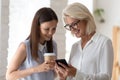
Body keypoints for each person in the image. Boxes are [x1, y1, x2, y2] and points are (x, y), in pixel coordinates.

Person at [55, 2, 114, 80]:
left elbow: (106, 77)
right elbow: (72, 76)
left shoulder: (104, 43)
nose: (72, 29)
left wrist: (76, 73)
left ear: (85, 19)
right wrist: (64, 77)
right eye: (69, 26)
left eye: (74, 24)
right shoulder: (75, 47)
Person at [6, 7, 58, 80]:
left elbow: (52, 75)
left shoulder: (53, 45)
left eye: (54, 29)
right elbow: (9, 76)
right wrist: (36, 69)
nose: (51, 33)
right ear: (37, 27)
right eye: (46, 29)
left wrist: (57, 70)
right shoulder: (24, 47)